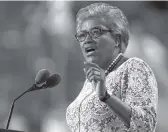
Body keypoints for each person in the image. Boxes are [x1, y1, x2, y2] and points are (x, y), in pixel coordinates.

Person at [66, 2, 158, 132]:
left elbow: (145, 125)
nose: (87, 39)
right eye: (82, 35)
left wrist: (106, 97)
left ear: (117, 39)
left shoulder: (133, 67)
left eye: (96, 32)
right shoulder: (90, 80)